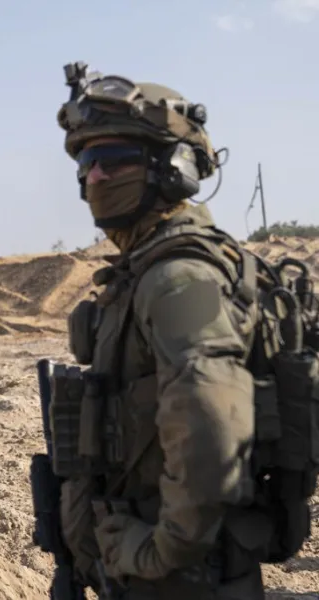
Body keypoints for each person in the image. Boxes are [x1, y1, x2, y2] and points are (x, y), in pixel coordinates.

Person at [52, 62, 273, 599]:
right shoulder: (145, 271)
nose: (93, 178)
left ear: (173, 169)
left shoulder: (179, 278)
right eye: (86, 162)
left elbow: (213, 426)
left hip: (182, 581)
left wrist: (160, 552)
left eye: (112, 160)